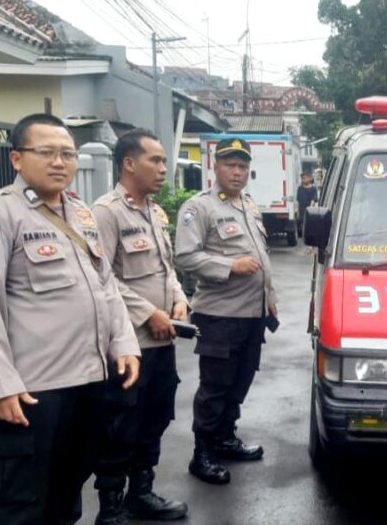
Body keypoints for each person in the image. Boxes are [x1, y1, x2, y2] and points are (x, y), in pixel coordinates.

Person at [0, 113, 140, 525]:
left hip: (85, 385)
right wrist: (0, 385)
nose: (60, 162)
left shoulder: (80, 214)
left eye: (68, 154)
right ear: (17, 159)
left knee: (65, 498)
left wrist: (124, 343)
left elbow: (105, 285)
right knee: (21, 506)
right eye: (47, 153)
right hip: (31, 394)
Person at [91, 130, 189, 524]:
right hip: (129, 344)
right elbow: (101, 277)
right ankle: (111, 508)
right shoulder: (106, 212)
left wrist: (180, 297)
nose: (164, 169)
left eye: (164, 162)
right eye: (156, 161)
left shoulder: (154, 211)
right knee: (121, 424)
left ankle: (141, 494)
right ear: (129, 163)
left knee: (155, 418)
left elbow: (166, 269)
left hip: (163, 341)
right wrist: (149, 312)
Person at [175, 137, 278, 485]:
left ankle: (225, 437)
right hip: (220, 314)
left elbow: (263, 258)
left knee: (240, 380)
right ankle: (202, 453)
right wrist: (229, 265)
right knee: (215, 386)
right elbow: (185, 257)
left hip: (251, 313)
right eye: (230, 165)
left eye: (243, 166)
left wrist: (270, 297)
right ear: (215, 167)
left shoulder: (248, 205)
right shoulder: (198, 207)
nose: (237, 172)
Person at [296, 172, 318, 236]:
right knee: (302, 223)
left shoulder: (313, 189)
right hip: (301, 210)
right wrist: (297, 211)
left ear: (309, 179)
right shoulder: (300, 188)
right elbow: (298, 200)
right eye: (302, 179)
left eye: (304, 178)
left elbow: (314, 199)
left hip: (309, 210)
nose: (303, 180)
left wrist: (310, 208)